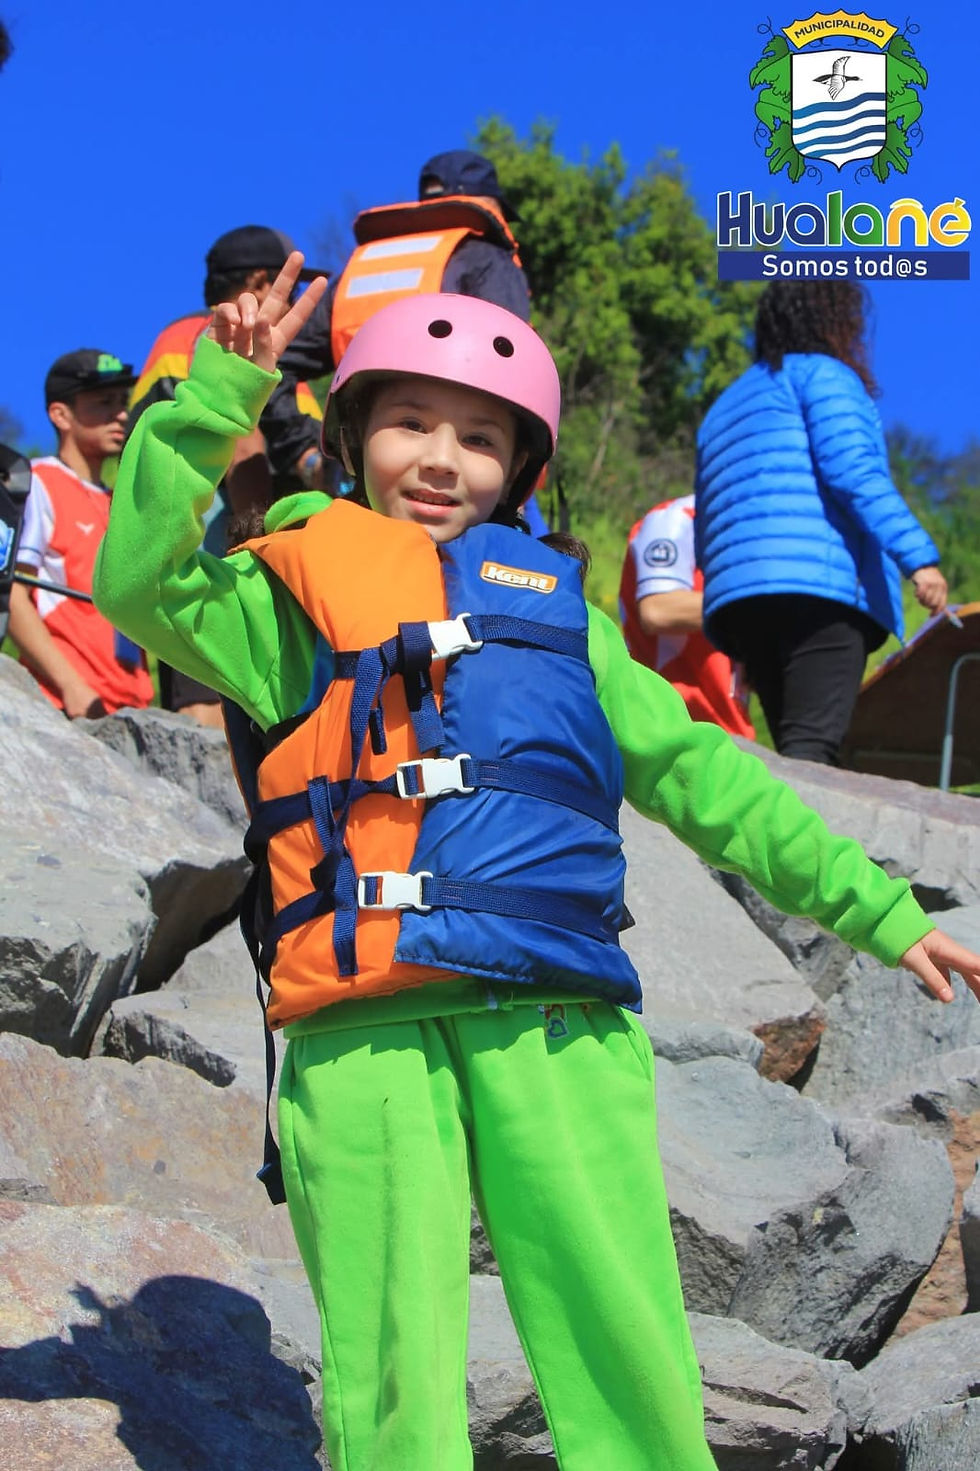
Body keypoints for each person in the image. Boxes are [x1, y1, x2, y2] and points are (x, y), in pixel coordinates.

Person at [94, 258, 980, 1471]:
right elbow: (136, 579)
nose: (440, 458)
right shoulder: (284, 600)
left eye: (478, 436)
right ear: (351, 436)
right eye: (408, 421)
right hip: (361, 1033)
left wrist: (881, 908)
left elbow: (706, 778)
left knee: (618, 1329)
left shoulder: (566, 621)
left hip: (553, 1020)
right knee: (390, 1359)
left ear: (520, 471)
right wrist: (217, 397)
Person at [695, 279, 947, 765]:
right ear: (834, 322)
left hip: (741, 604)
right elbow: (854, 473)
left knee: (795, 751)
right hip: (822, 591)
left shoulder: (724, 407)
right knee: (812, 749)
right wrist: (919, 560)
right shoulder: (824, 378)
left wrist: (742, 644)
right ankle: (803, 844)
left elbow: (708, 519)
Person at [128, 224, 329, 725]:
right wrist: (256, 543)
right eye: (291, 286)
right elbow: (245, 448)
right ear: (262, 281)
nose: (298, 301)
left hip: (169, 556)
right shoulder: (234, 345)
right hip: (229, 561)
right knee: (220, 714)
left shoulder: (174, 342)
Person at [259, 149, 531, 489]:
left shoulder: (363, 269)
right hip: (458, 485)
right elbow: (517, 377)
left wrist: (305, 451)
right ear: (487, 204)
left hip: (363, 479)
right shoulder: (488, 259)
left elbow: (271, 361)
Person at [8, 350, 153, 717]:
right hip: (67, 706)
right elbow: (10, 595)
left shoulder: (119, 504)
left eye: (123, 402)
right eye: (104, 403)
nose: (120, 414)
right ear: (61, 415)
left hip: (131, 708)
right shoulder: (39, 482)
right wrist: (73, 688)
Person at [620, 493, 754, 737]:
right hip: (673, 726)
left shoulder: (751, 530)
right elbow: (657, 609)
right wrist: (757, 608)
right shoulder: (677, 518)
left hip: (729, 731)